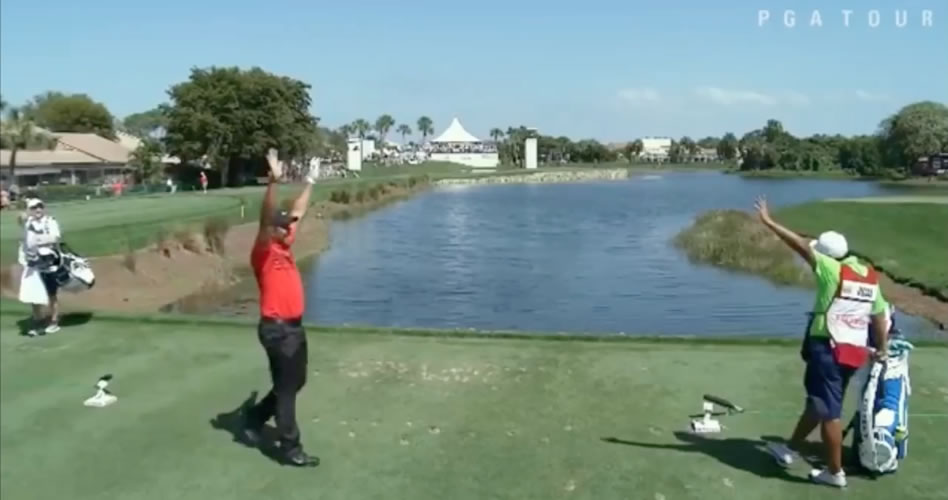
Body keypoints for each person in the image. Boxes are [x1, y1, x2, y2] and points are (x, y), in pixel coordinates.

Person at [753, 196, 890, 488]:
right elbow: (879, 317)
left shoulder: (830, 269)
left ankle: (835, 472)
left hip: (827, 347)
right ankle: (789, 448)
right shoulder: (868, 276)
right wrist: (883, 347)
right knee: (820, 403)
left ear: (828, 256)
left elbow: (800, 246)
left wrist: (769, 222)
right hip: (853, 352)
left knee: (829, 411)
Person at [241, 148, 320, 467]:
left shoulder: (285, 243)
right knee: (287, 391)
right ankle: (290, 448)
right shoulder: (264, 252)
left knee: (295, 382)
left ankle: (254, 417)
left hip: (295, 327)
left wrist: (311, 180)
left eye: (288, 226)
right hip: (277, 329)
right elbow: (265, 217)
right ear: (270, 230)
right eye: (282, 226)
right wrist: (273, 183)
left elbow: (298, 210)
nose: (288, 229)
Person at [17, 197, 64, 336]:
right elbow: (20, 219)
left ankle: (54, 321)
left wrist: (37, 240)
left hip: (49, 264)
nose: (38, 209)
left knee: (51, 294)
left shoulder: (50, 221)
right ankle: (38, 320)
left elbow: (55, 237)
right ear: (30, 210)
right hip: (32, 265)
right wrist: (23, 215)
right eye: (34, 208)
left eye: (40, 206)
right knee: (34, 295)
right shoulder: (28, 222)